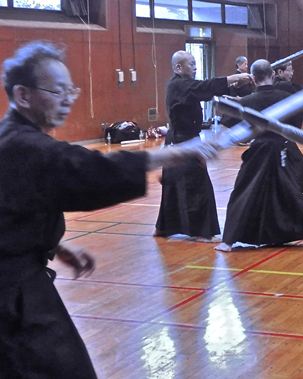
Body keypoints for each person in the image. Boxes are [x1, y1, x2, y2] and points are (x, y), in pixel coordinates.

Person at [0, 41, 221, 378]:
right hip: (12, 299)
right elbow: (93, 168)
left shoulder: (14, 140)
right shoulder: (23, 145)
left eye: (69, 89)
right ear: (23, 95)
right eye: (56, 90)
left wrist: (55, 245)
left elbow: (15, 206)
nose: (68, 98)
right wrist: (182, 152)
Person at [215, 59, 303, 252]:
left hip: (258, 151)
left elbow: (226, 128)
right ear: (272, 75)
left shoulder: (246, 102)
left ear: (253, 78)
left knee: (242, 192)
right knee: (292, 191)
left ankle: (227, 242)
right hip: (282, 149)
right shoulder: (287, 98)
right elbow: (295, 126)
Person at [154, 50, 252, 242]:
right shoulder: (178, 85)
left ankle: (163, 228)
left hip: (184, 141)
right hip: (182, 143)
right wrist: (233, 77)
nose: (196, 67)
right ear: (179, 67)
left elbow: (206, 92)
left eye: (196, 63)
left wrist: (234, 84)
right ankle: (200, 232)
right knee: (199, 187)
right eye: (191, 64)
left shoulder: (183, 85)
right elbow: (204, 87)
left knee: (173, 187)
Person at [271, 60, 303, 194]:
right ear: (280, 72)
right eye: (289, 70)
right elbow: (300, 90)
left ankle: (292, 187)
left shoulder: (281, 86)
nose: (292, 73)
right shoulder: (282, 86)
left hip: (283, 128)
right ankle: (295, 187)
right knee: (291, 157)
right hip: (281, 129)